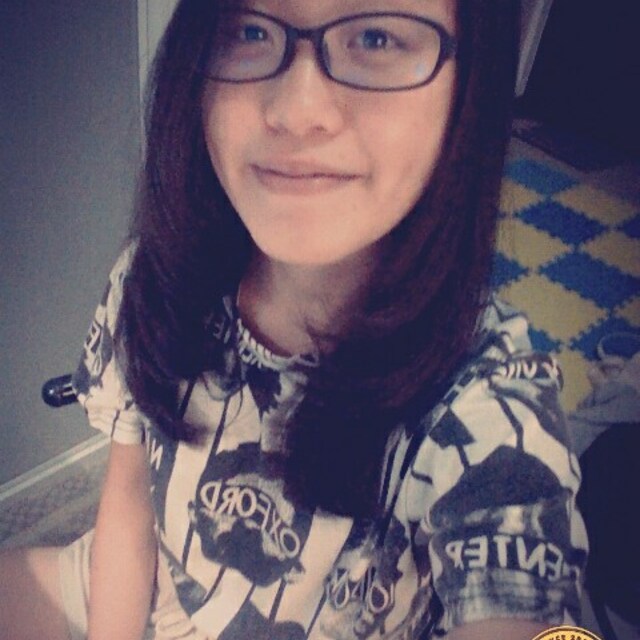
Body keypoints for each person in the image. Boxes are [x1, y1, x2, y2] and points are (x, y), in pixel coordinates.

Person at [0, 1, 588, 638]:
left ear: (469, 86)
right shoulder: (157, 278)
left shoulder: (488, 412)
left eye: (376, 37)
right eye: (248, 30)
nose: (296, 110)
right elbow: (129, 507)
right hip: (157, 586)